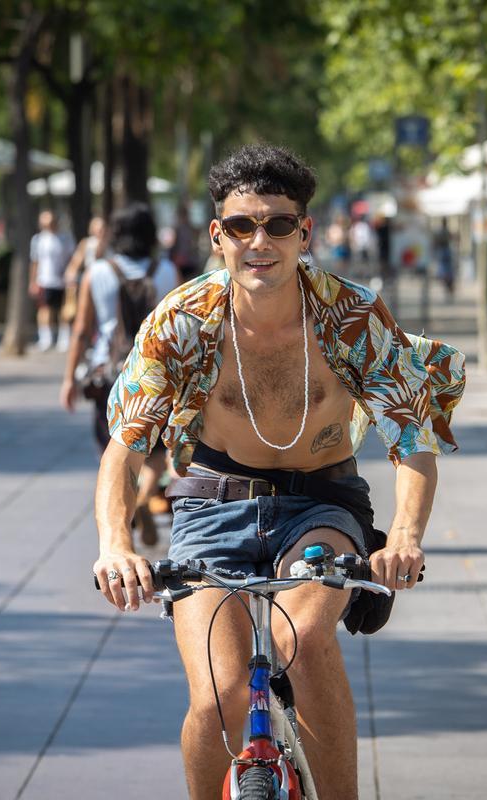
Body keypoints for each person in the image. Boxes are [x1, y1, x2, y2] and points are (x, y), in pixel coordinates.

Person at [91, 144, 465, 799]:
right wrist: (115, 544)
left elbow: (413, 439)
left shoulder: (349, 318)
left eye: (278, 224)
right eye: (241, 226)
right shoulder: (182, 322)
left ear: (305, 232)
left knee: (307, 636)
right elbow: (124, 446)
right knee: (219, 700)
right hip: (210, 506)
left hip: (322, 505)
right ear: (217, 236)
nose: (258, 241)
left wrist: (404, 536)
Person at [60, 204, 181, 546]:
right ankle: (144, 497)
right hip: (159, 374)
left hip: (109, 376)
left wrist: (69, 378)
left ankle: (123, 515)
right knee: (156, 450)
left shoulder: (97, 272)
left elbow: (82, 330)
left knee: (113, 449)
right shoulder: (167, 272)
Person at [28, 210, 72, 352]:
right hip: (44, 280)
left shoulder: (65, 239)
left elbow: (72, 259)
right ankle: (45, 339)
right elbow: (34, 262)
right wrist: (33, 281)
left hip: (62, 281)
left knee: (63, 311)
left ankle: (64, 339)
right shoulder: (38, 239)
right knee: (44, 310)